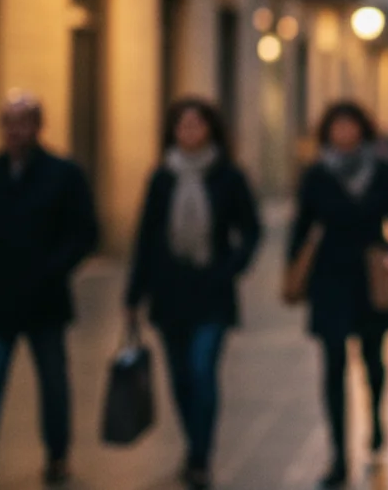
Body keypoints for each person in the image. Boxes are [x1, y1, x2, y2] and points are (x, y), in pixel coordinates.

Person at [0, 94, 99, 490]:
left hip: (44, 301)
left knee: (53, 383)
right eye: (8, 122)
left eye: (22, 122)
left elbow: (84, 233)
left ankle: (57, 456)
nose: (14, 131)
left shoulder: (63, 174)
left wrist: (52, 269)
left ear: (37, 127)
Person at [124, 98, 262, 490]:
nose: (189, 133)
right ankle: (193, 446)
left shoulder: (229, 177)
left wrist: (230, 269)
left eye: (197, 125)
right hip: (169, 292)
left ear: (210, 130)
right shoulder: (161, 177)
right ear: (173, 132)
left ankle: (200, 456)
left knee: (203, 371)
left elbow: (251, 231)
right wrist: (134, 295)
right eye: (182, 126)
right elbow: (146, 238)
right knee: (181, 378)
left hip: (212, 291)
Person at [287, 102, 388, 489]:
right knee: (332, 367)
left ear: (363, 130)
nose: (344, 133)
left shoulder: (384, 172)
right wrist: (292, 272)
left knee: (374, 361)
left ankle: (375, 419)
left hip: (371, 276)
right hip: (330, 278)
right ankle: (338, 456)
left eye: (351, 126)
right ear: (328, 132)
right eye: (337, 127)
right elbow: (301, 225)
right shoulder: (316, 174)